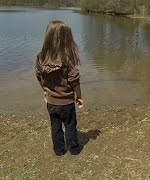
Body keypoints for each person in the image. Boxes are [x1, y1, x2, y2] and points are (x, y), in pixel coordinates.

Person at [35, 20, 83, 156]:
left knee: (55, 126)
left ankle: (59, 150)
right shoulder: (67, 58)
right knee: (70, 126)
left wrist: (45, 92)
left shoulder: (41, 58)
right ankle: (74, 150)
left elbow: (39, 77)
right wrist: (79, 97)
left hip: (51, 102)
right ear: (65, 40)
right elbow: (75, 81)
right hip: (67, 102)